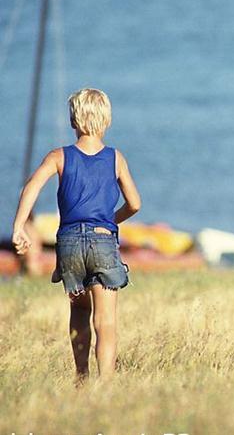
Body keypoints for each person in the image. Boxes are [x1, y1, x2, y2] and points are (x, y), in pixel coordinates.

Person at [12, 88, 141, 382]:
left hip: (69, 243)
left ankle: (81, 378)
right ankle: (105, 384)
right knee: (105, 321)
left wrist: (19, 226)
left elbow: (31, 186)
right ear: (107, 120)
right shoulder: (115, 159)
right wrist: (109, 220)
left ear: (73, 120)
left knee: (80, 311)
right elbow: (135, 204)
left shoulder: (59, 156)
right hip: (103, 241)